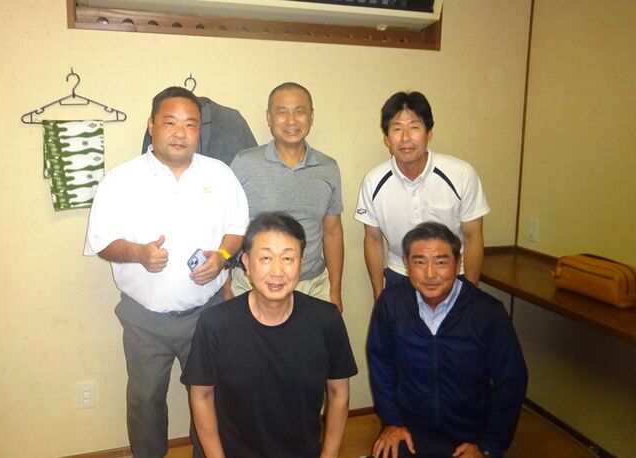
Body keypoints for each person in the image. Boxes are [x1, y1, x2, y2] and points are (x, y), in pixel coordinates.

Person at [84, 87, 249, 458]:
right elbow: (101, 242)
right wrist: (138, 253)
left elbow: (237, 229)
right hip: (143, 319)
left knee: (210, 396)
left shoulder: (220, 174)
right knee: (145, 401)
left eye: (190, 124)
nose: (180, 132)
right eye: (170, 122)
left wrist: (222, 256)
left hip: (207, 315)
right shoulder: (121, 179)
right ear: (152, 125)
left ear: (199, 131)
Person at [182, 211, 358, 457]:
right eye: (265, 258)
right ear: (246, 263)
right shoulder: (216, 324)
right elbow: (201, 395)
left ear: (301, 262)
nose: (277, 271)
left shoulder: (326, 320)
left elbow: (339, 393)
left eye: (288, 258)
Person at [367, 222, 527, 458]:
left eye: (441, 262)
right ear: (406, 264)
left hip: (470, 438)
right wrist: (392, 422)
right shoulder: (391, 304)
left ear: (458, 262)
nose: (430, 274)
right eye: (419, 262)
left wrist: (489, 445)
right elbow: (381, 364)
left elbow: (512, 381)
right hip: (410, 432)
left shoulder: (487, 312)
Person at [355, 91, 490, 301]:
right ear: (387, 139)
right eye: (397, 129)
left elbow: (473, 237)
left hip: (453, 275)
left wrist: (470, 294)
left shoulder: (462, 174)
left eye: (414, 127)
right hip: (400, 275)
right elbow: (372, 240)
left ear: (429, 134)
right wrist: (379, 296)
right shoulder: (373, 181)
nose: (405, 138)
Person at [230, 82, 345, 312]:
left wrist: (335, 290)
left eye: (299, 111)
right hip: (254, 285)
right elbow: (227, 225)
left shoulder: (328, 168)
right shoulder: (244, 163)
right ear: (269, 117)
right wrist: (226, 281)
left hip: (312, 285)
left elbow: (332, 232)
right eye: (282, 112)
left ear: (311, 117)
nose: (291, 121)